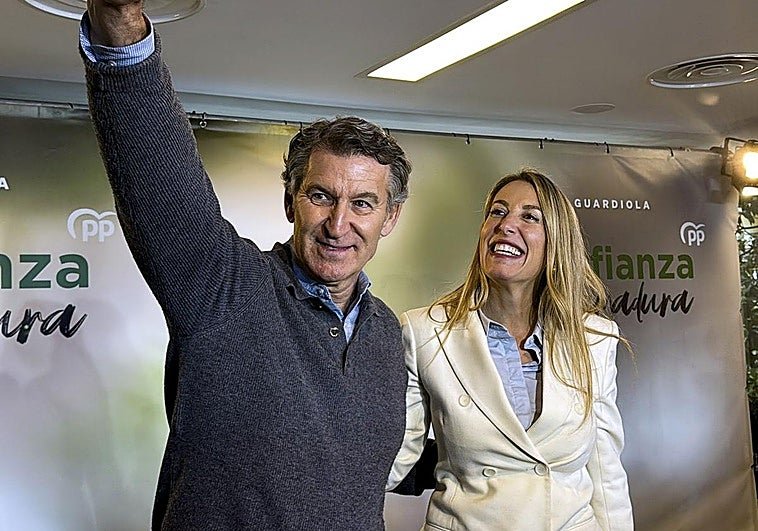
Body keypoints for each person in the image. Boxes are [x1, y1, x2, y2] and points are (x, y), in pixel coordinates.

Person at [78, 2, 412, 529]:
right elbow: (159, 174)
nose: (338, 223)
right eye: (321, 196)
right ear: (290, 201)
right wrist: (120, 30)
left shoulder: (386, 334)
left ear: (389, 218)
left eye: (363, 204)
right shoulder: (226, 288)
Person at [387, 170, 633, 530]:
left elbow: (605, 471)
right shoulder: (425, 332)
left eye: (529, 217)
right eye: (497, 212)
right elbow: (394, 461)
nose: (505, 225)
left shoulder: (594, 338)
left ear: (557, 241)